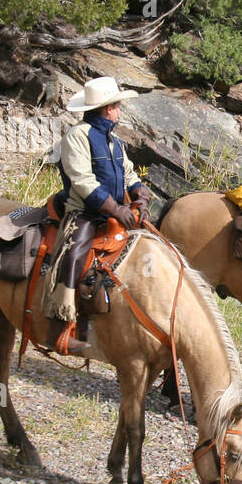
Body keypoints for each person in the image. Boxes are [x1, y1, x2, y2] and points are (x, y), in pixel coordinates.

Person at [43, 76, 153, 354]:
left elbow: (128, 172)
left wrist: (140, 193)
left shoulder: (115, 142)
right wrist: (116, 209)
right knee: (74, 253)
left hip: (113, 212)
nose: (119, 111)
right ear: (107, 109)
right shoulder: (77, 136)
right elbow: (82, 181)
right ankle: (60, 328)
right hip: (83, 212)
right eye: (117, 106)